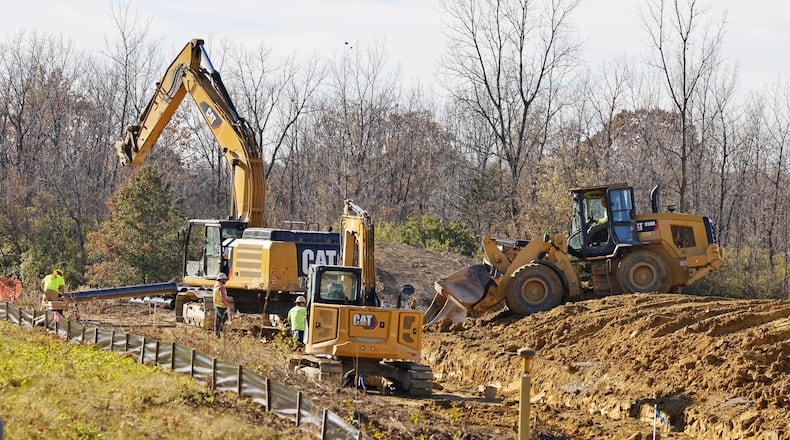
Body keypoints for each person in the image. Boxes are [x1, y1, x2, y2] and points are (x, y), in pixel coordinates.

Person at [213, 273, 230, 338]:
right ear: (221, 279)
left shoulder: (216, 287)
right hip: (222, 307)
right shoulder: (221, 288)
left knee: (217, 322)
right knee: (224, 321)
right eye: (225, 279)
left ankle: (217, 335)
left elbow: (215, 299)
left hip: (217, 306)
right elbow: (223, 299)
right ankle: (223, 336)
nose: (225, 281)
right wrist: (228, 305)